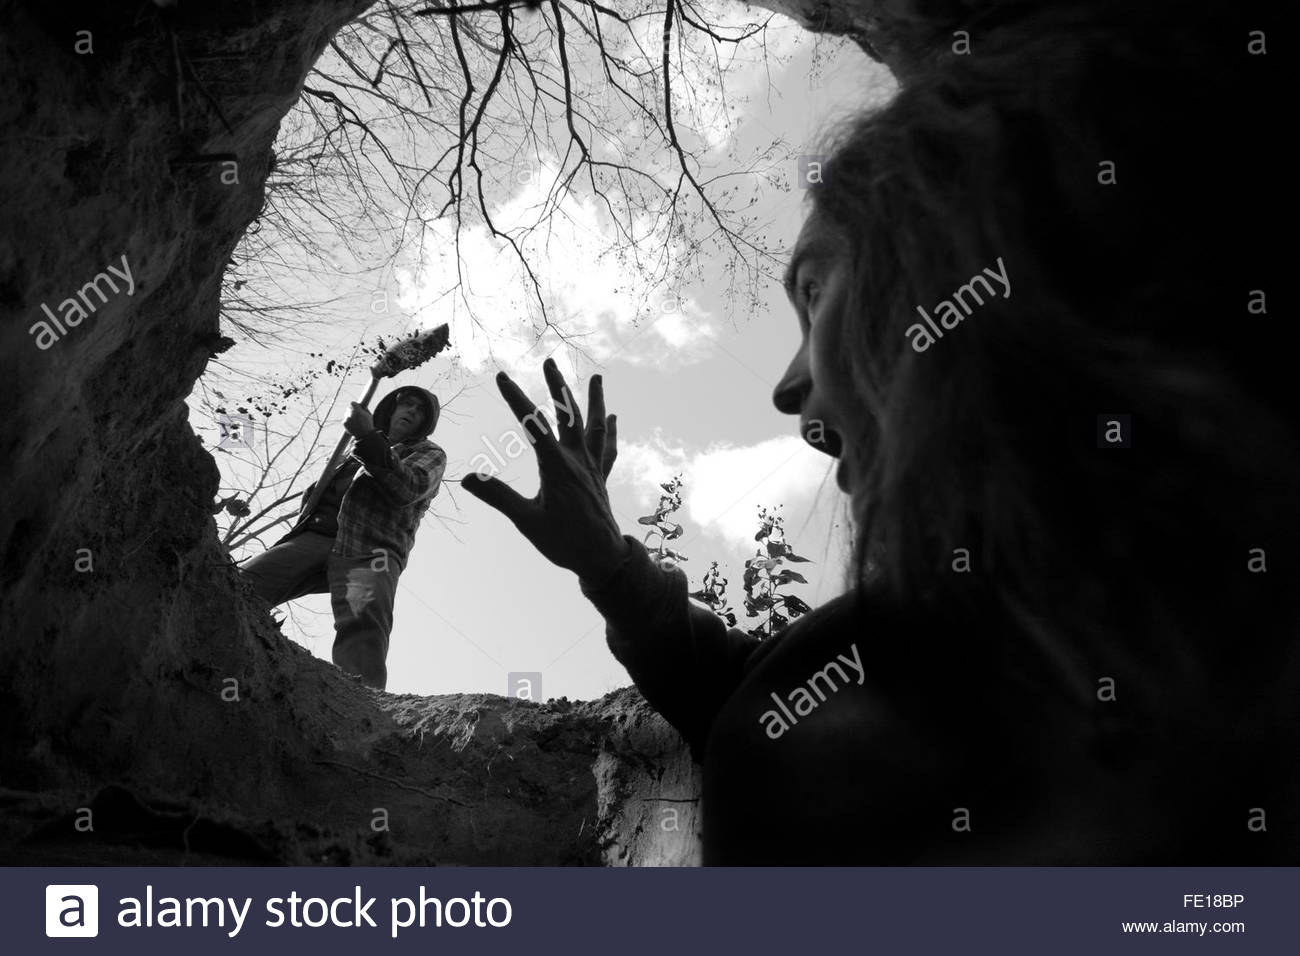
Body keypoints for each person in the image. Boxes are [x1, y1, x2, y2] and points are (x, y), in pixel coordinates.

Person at [462, 0, 1298, 862]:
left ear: (972, 269)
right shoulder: (892, 646)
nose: (786, 391)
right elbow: (742, 694)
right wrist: (605, 562)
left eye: (815, 291)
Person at [238, 386, 446, 690]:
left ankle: (363, 707)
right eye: (408, 405)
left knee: (363, 626)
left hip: (371, 550)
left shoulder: (429, 453)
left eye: (420, 411)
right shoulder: (349, 453)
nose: (412, 411)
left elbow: (410, 486)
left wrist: (368, 439)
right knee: (243, 584)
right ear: (391, 410)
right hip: (317, 536)